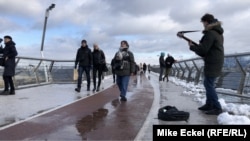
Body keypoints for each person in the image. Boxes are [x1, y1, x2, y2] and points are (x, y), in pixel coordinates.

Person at [188, 13, 224, 115]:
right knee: (208, 83)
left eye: (203, 23)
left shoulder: (211, 33)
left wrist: (192, 47)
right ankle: (209, 104)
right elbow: (208, 47)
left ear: (206, 22)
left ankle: (217, 107)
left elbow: (203, 50)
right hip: (215, 60)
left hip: (213, 62)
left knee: (209, 84)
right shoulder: (218, 33)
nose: (203, 25)